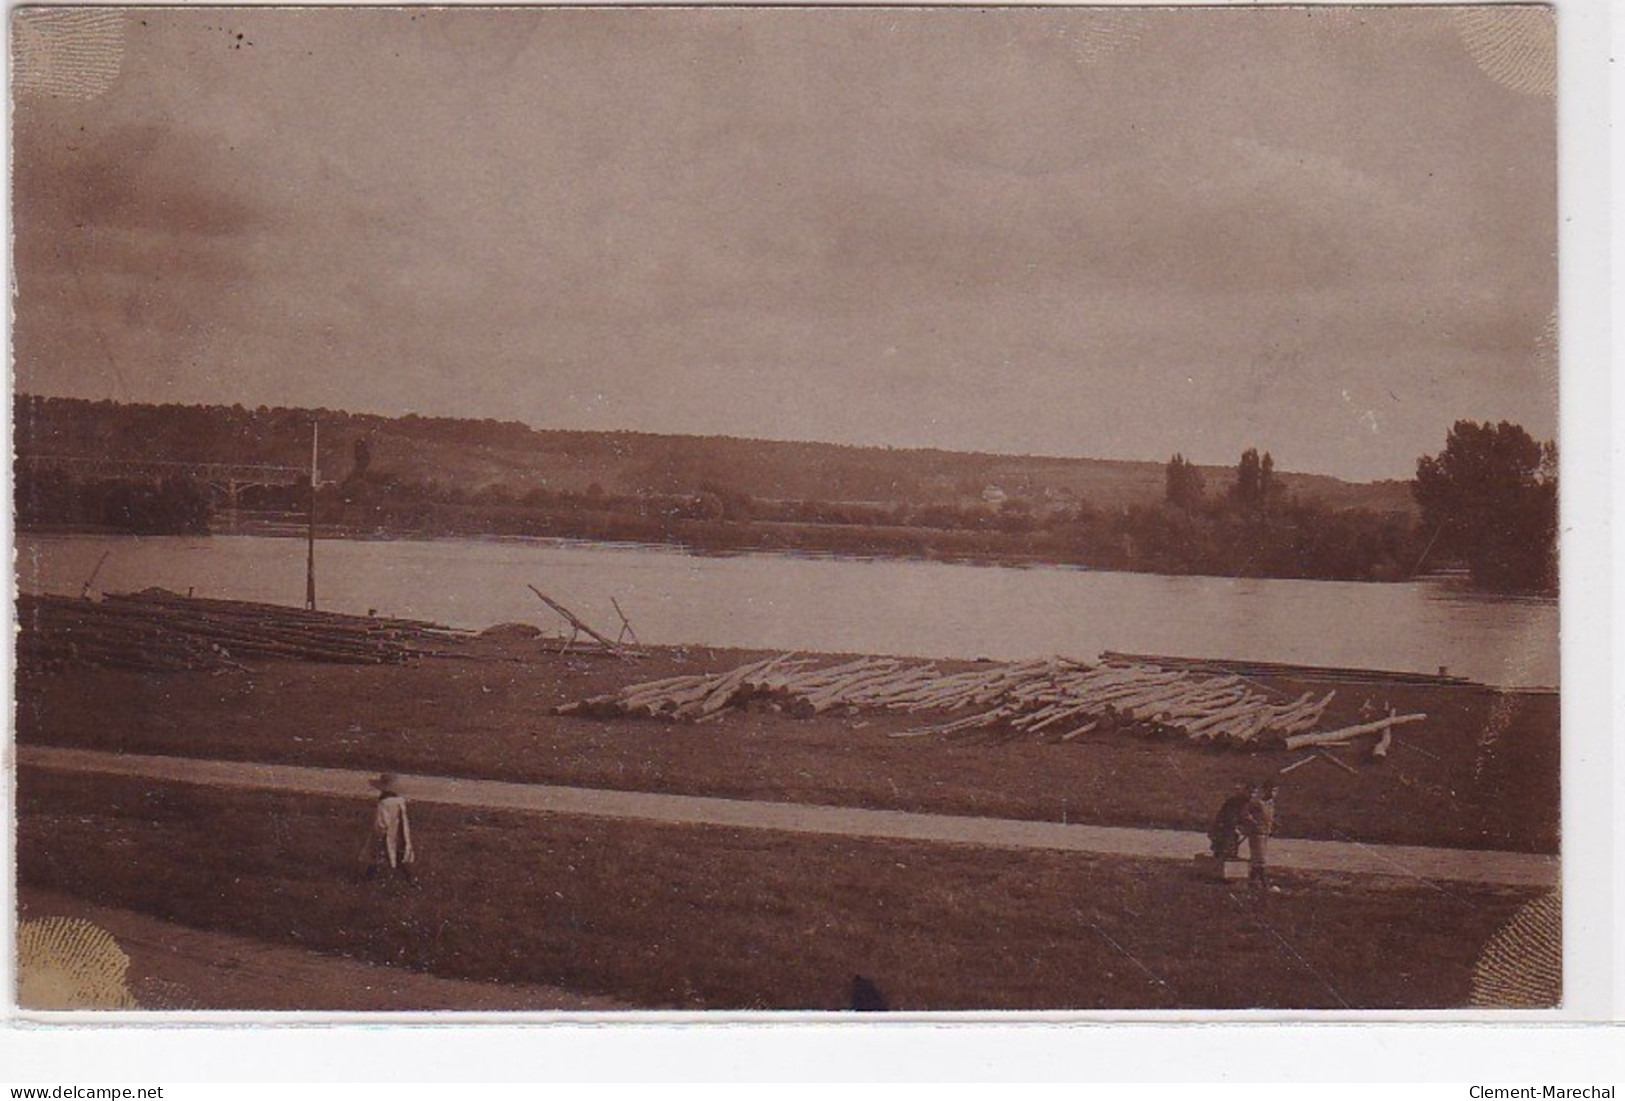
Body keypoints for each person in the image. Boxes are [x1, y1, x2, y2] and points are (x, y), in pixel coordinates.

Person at [359, 771, 415, 881]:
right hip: (398, 833)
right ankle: (410, 878)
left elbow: (381, 823)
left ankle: (368, 878)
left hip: (385, 833)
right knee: (398, 854)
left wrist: (378, 834)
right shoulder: (400, 801)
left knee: (376, 855)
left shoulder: (384, 804)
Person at [1239, 780, 1278, 890]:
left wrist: (1273, 823)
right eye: (1270, 790)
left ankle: (1252, 882)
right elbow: (1245, 812)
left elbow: (1268, 817)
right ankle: (1265, 885)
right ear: (1265, 790)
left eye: (1275, 791)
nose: (1272, 793)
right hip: (1256, 833)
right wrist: (1252, 821)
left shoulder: (1271, 804)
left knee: (1257, 859)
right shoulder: (1258, 802)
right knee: (1260, 859)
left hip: (1265, 833)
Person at [1208, 782, 1256, 860]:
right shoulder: (1235, 801)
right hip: (1224, 826)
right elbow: (1230, 815)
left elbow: (1245, 815)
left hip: (1232, 827)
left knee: (1232, 846)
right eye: (1250, 792)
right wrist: (1236, 826)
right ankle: (1220, 863)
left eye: (1254, 793)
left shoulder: (1248, 802)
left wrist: (1249, 822)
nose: (1252, 795)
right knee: (1223, 846)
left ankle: (1230, 859)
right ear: (1245, 791)